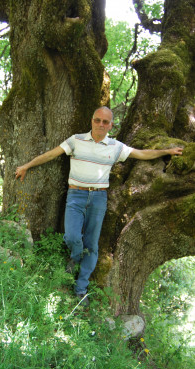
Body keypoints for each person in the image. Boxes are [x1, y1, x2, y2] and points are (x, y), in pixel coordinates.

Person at [15, 106, 183, 306]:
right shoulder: (76, 140)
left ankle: (80, 288)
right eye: (98, 120)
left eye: (105, 122)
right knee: (72, 236)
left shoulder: (115, 146)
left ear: (111, 125)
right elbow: (51, 154)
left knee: (92, 245)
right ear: (92, 121)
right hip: (75, 196)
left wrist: (167, 151)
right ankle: (75, 257)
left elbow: (141, 154)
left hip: (98, 198)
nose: (101, 124)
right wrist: (27, 166)